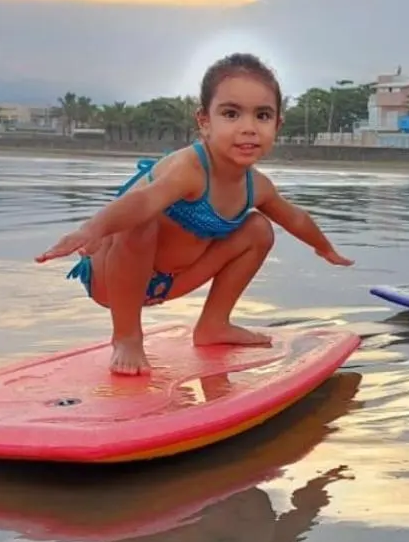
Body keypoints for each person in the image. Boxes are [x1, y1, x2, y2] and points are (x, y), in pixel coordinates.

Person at [36, 52, 353, 375]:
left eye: (262, 115)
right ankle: (127, 336)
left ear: (277, 124)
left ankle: (214, 324)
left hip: (171, 282)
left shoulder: (256, 187)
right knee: (142, 221)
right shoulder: (189, 168)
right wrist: (91, 229)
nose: (248, 128)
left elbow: (295, 218)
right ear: (204, 121)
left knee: (259, 229)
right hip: (114, 281)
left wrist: (324, 247)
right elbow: (142, 202)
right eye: (231, 114)